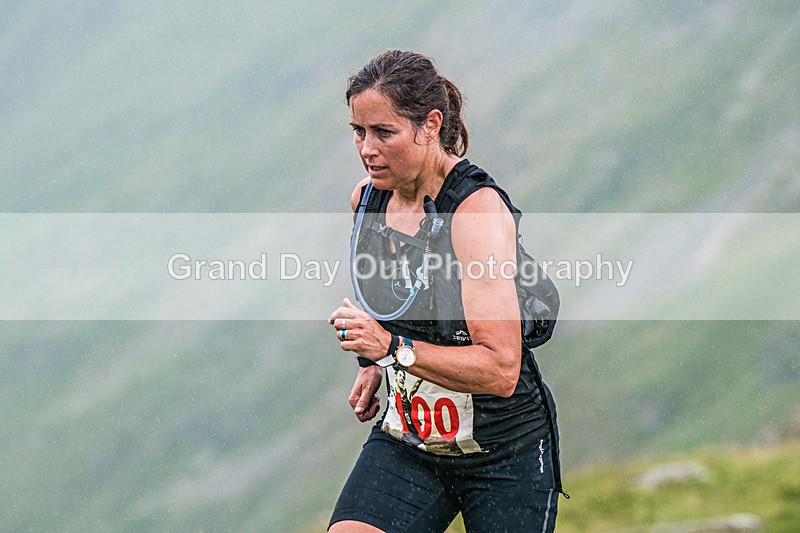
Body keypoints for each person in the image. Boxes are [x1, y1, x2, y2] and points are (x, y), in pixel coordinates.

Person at [328, 50, 563, 533]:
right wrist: (373, 362)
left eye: (383, 133)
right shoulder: (367, 200)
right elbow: (401, 297)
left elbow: (500, 369)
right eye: (358, 131)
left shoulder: (474, 214)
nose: (366, 149)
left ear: (430, 124)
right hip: (409, 441)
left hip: (504, 455)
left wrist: (391, 349)